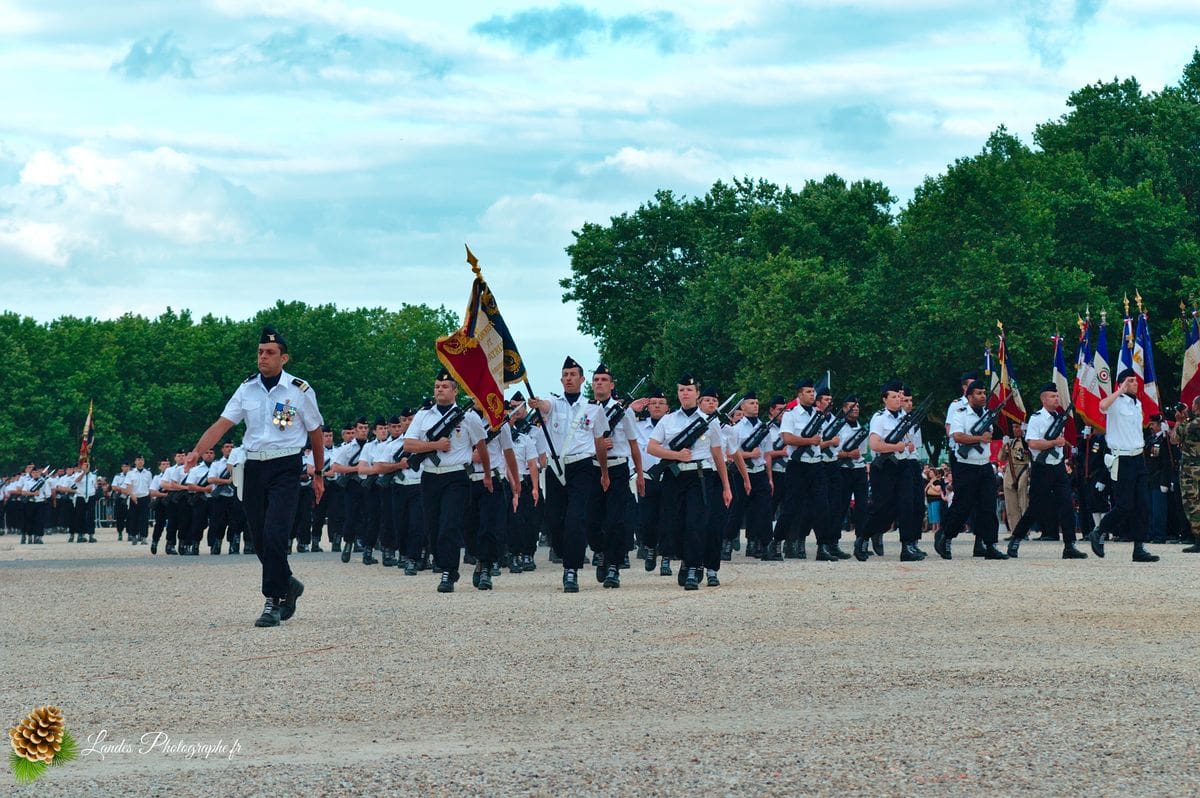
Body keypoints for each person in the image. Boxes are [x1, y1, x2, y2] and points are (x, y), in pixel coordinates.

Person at [185, 326, 324, 627]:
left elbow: (315, 432)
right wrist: (197, 451)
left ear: (283, 358)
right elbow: (223, 424)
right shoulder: (246, 388)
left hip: (286, 467)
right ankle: (289, 583)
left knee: (275, 534)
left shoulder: (298, 390)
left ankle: (273, 601)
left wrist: (320, 473)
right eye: (260, 352)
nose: (263, 357)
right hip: (253, 469)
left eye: (270, 353)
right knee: (259, 538)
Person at [530, 357, 610, 593]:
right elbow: (544, 406)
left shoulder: (593, 409)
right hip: (556, 469)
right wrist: (537, 403)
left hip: (582, 467)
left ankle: (571, 571)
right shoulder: (554, 404)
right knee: (555, 522)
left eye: (573, 375)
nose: (568, 379)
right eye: (565, 375)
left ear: (582, 379)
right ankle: (568, 554)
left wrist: (604, 472)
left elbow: (599, 444)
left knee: (576, 519)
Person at [405, 367, 488, 593]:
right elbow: (409, 445)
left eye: (444, 386)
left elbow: (482, 446)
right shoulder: (423, 416)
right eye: (437, 386)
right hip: (430, 476)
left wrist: (488, 474)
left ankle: (448, 572)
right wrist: (435, 446)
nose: (439, 389)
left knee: (449, 525)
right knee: (432, 526)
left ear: (454, 391)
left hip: (456, 477)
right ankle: (444, 564)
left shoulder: (469, 417)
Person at [646, 374, 732, 590]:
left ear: (697, 394)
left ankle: (693, 568)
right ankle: (685, 560)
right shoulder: (669, 420)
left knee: (696, 522)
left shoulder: (708, 422)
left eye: (689, 390)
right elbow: (652, 447)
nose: (685, 393)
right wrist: (676, 456)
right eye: (682, 390)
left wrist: (726, 486)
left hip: (700, 476)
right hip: (675, 476)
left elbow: (717, 453)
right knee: (675, 524)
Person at [1005, 384, 1088, 559]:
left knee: (1067, 504)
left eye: (1057, 396)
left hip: (1057, 467)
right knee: (1035, 507)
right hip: (1041, 468)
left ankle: (1069, 545)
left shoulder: (1060, 417)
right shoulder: (1037, 418)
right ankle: (1016, 538)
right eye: (1052, 396)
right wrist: (1053, 443)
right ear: (1043, 399)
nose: (1056, 399)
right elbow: (1032, 443)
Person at [1090, 369, 1159, 562]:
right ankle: (1100, 530)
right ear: (1122, 383)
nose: (1136, 384)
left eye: (1135, 381)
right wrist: (1120, 390)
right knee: (1124, 505)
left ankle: (1139, 548)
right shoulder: (1115, 403)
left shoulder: (1137, 404)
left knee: (1143, 505)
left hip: (1138, 458)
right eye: (1131, 381)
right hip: (1122, 460)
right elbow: (1102, 406)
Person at [935, 379, 1007, 560]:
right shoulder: (961, 414)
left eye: (984, 393)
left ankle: (990, 545)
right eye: (978, 393)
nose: (983, 396)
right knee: (962, 506)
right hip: (965, 466)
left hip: (984, 465)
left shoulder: (988, 414)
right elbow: (957, 436)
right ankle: (946, 537)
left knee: (988, 507)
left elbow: (991, 436)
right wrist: (979, 438)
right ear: (969, 396)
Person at [586, 365, 644, 588]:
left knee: (616, 520)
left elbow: (633, 444)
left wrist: (639, 474)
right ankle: (599, 550)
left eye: (604, 379)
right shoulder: (585, 411)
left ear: (612, 385)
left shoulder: (625, 412)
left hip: (617, 469)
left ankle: (613, 566)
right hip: (591, 469)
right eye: (596, 379)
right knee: (591, 520)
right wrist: (597, 445)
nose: (599, 383)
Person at [1174, 397, 1200, 552]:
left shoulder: (1191, 425)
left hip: (1192, 471)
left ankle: (1198, 540)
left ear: (1196, 406)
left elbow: (1174, 438)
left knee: (1192, 503)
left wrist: (1179, 420)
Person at [998, 423, 1032, 538]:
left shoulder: (1027, 442)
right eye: (1013, 427)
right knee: (1011, 504)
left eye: (1017, 427)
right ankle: (1014, 531)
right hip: (1010, 473)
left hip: (1022, 471)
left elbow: (1024, 457)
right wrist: (1004, 447)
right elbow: (1001, 458)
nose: (1014, 429)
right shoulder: (1011, 442)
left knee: (1023, 503)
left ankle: (1024, 531)